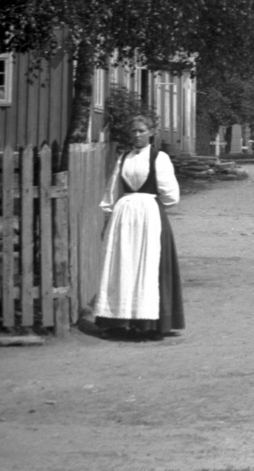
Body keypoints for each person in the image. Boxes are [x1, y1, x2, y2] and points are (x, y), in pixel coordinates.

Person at [93, 114, 185, 339]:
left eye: (142, 131)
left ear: (152, 132)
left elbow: (171, 196)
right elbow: (112, 190)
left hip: (149, 217)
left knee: (149, 265)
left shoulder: (159, 158)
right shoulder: (123, 158)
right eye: (133, 131)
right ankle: (118, 320)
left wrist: (147, 204)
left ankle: (149, 324)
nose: (137, 135)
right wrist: (111, 212)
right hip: (123, 218)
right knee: (122, 264)